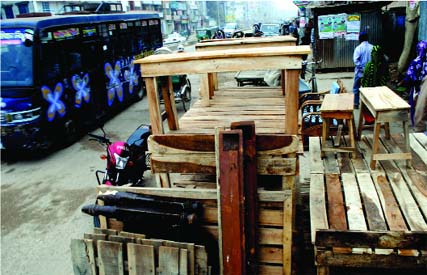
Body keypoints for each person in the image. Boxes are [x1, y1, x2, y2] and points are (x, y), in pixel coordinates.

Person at [360, 45, 390, 123]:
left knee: (375, 106)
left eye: (376, 55)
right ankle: (371, 120)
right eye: (374, 54)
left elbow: (386, 78)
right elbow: (364, 79)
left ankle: (374, 120)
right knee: (368, 107)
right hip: (369, 91)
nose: (375, 56)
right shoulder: (370, 66)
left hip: (378, 92)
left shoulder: (382, 66)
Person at [405, 40, 427, 132]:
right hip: (424, 86)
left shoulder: (415, 62)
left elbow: (408, 77)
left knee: (417, 107)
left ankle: (417, 126)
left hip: (417, 88)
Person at [352, 31, 373, 108]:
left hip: (359, 73)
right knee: (368, 89)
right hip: (370, 73)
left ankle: (356, 104)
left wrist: (362, 68)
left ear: (360, 39)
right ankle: (368, 105)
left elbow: (356, 61)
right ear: (367, 38)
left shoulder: (358, 48)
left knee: (356, 88)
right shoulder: (372, 47)